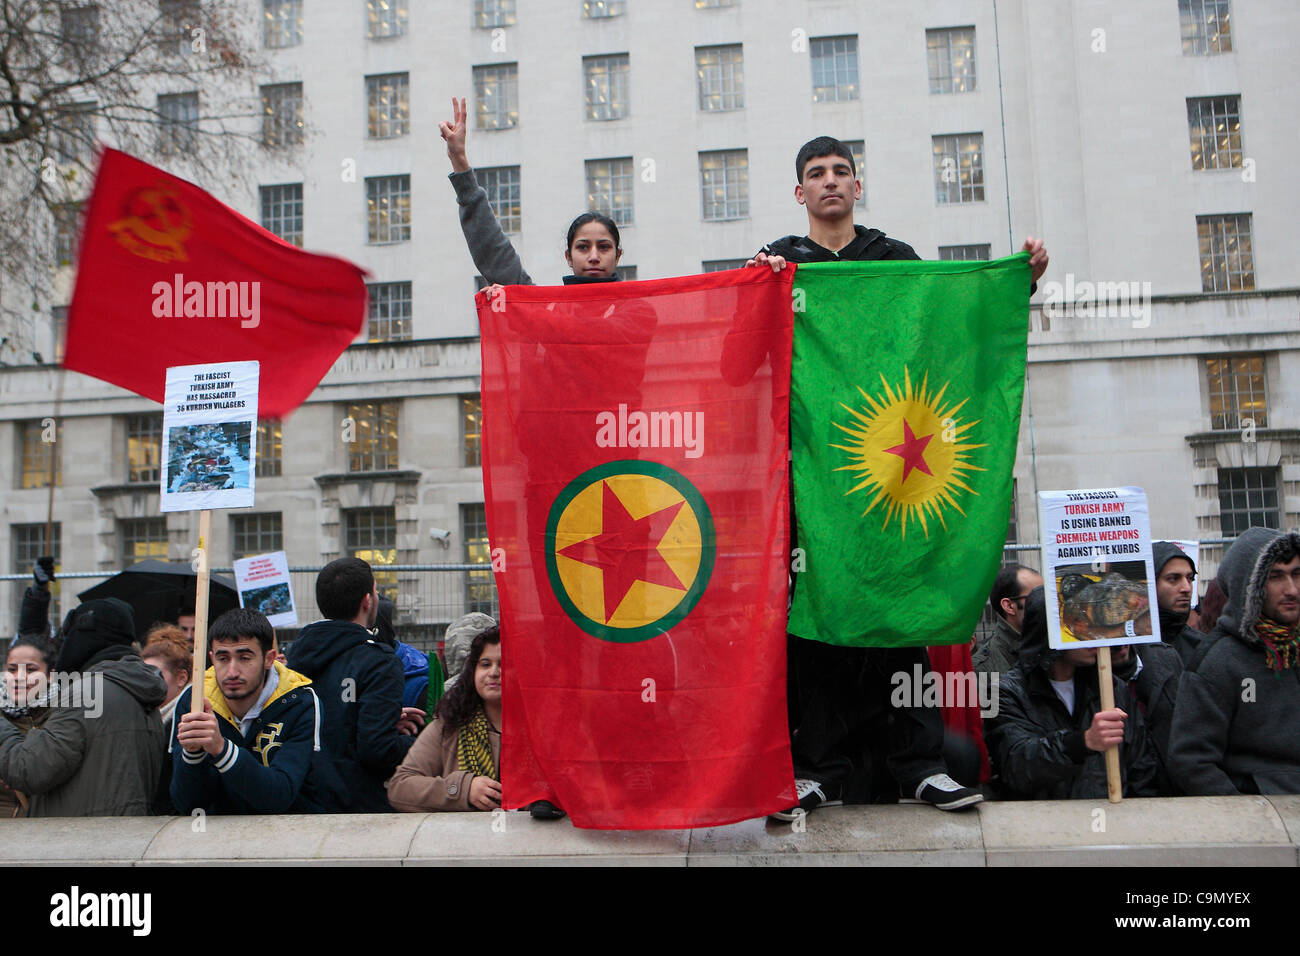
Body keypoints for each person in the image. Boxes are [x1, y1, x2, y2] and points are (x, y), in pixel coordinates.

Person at [758, 136, 1049, 817]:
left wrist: (1019, 282)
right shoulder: (780, 265)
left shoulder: (896, 260)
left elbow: (952, 330)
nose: (830, 182)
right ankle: (816, 771)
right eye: (815, 174)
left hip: (889, 475)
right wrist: (755, 289)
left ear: (859, 186)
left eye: (841, 171)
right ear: (799, 194)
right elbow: (745, 357)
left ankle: (920, 764)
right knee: (815, 619)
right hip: (815, 479)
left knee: (898, 614)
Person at [985, 587, 1158, 799]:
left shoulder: (1111, 689)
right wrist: (1080, 743)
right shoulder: (1006, 693)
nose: (1094, 634)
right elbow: (1016, 766)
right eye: (1080, 624)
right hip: (1042, 826)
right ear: (1048, 631)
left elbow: (1142, 768)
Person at [0, 598, 167, 816]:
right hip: (124, 836)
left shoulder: (85, 694)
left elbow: (29, 769)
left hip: (79, 841)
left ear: (86, 636)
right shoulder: (138, 689)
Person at [171, 608, 346, 814]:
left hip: (287, 837)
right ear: (211, 657)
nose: (232, 671)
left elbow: (280, 796)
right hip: (216, 840)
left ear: (269, 658)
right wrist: (192, 756)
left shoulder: (300, 702)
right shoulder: (194, 702)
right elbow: (188, 807)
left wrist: (220, 748)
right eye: (223, 658)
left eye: (245, 658)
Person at [440, 96, 626, 287]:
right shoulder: (546, 310)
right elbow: (495, 255)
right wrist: (459, 159)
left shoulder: (642, 312)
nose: (594, 257)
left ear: (617, 255)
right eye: (583, 247)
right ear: (568, 257)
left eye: (604, 247)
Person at [1169, 529, 1300, 795]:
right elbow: (1191, 761)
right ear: (1248, 585)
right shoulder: (1219, 660)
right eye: (1275, 576)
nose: (1292, 589)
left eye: (1297, 574)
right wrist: (1248, 815)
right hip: (1265, 825)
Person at [285, 558, 421, 811]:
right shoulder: (378, 661)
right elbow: (377, 750)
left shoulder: (296, 656)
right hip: (357, 807)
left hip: (301, 801)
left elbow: (328, 716)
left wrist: (380, 718)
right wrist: (421, 743)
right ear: (367, 601)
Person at [388, 627, 503, 812]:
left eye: (504, 664)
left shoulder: (544, 731)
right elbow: (400, 787)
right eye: (485, 664)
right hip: (463, 839)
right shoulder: (450, 725)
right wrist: (462, 789)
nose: (494, 672)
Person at [0, 633, 57, 816]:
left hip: (51, 826)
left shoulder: (64, 716)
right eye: (12, 669)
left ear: (50, 675)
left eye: (31, 670)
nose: (19, 677)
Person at [974, 564, 1044, 674]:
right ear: (1009, 606)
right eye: (1038, 596)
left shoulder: (1059, 648)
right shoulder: (983, 670)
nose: (1047, 603)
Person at [141, 625, 192, 741]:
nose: (146, 682)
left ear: (181, 678)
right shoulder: (141, 715)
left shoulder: (190, 720)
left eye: (156, 674)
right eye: (142, 675)